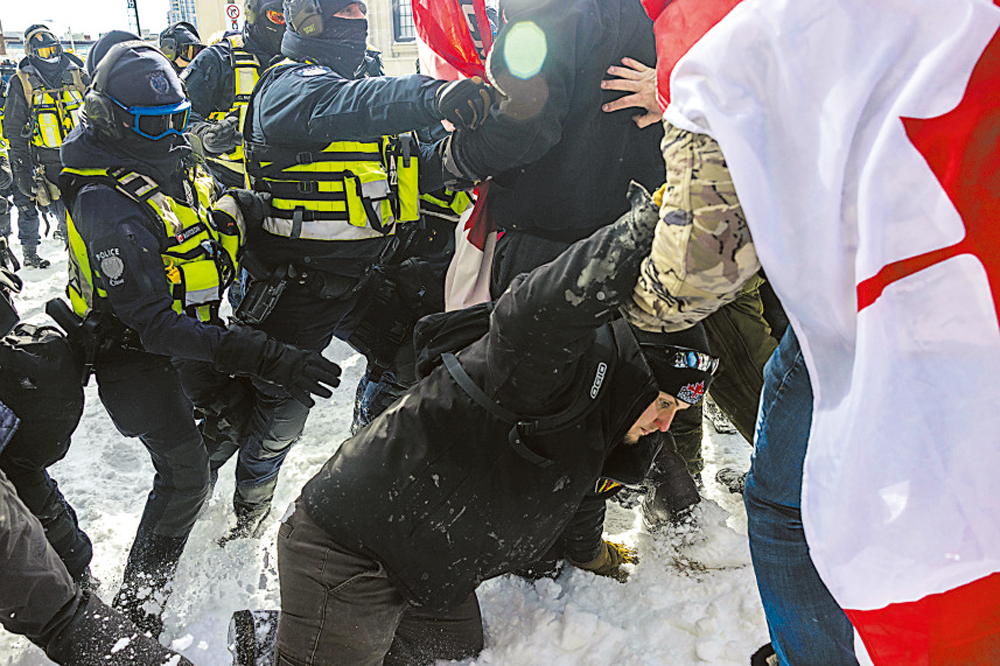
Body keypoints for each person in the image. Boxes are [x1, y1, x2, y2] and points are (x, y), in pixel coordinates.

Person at [273, 185, 718, 666]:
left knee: (454, 655)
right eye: (664, 403)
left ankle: (318, 635)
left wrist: (596, 558)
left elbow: (585, 495)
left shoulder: (613, 419)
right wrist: (648, 225)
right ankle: (271, 642)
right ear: (634, 372)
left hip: (432, 570)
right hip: (354, 555)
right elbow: (538, 307)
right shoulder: (538, 376)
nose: (666, 422)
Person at [57, 36, 342, 637]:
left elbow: (211, 219)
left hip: (189, 339)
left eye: (176, 121)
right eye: (153, 124)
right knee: (185, 476)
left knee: (234, 417)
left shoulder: (171, 166)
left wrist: (256, 210)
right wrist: (269, 354)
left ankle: (194, 479)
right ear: (112, 121)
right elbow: (155, 325)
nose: (169, 136)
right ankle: (140, 609)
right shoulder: (106, 203)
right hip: (131, 355)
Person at [201, 0, 494, 542]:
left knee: (407, 356)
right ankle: (243, 521)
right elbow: (355, 105)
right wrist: (432, 96)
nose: (357, 22)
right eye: (347, 13)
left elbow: (418, 159)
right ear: (307, 20)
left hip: (362, 279)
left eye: (363, 12)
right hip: (293, 290)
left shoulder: (362, 80)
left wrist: (481, 146)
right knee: (273, 418)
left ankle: (361, 471)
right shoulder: (289, 87)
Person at [432, 0, 666, 298]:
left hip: (554, 250)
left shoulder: (545, 9)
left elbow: (524, 127)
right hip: (645, 233)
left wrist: (446, 161)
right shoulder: (667, 12)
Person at [3, 25, 88, 259]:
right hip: (50, 162)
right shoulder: (21, 82)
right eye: (43, 52)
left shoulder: (77, 73)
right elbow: (13, 128)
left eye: (53, 49)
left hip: (86, 154)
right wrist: (21, 168)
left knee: (94, 210)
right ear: (32, 53)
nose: (50, 56)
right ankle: (78, 258)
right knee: (66, 216)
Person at [182, 0, 286, 190]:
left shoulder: (305, 59)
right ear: (253, 14)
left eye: (292, 20)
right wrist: (204, 136)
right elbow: (179, 117)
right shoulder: (216, 59)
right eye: (278, 17)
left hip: (292, 187)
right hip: (229, 186)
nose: (286, 27)